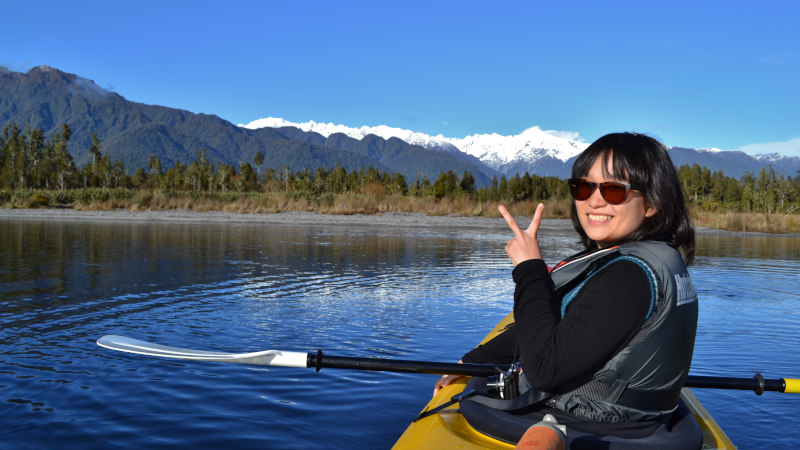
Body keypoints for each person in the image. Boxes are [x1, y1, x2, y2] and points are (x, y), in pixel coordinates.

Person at [434, 132, 699, 440]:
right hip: (630, 418)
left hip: (595, 424)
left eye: (614, 190)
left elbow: (545, 370)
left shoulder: (629, 277)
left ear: (653, 203)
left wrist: (529, 268)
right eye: (583, 187)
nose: (594, 200)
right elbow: (557, 322)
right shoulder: (645, 259)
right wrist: (472, 362)